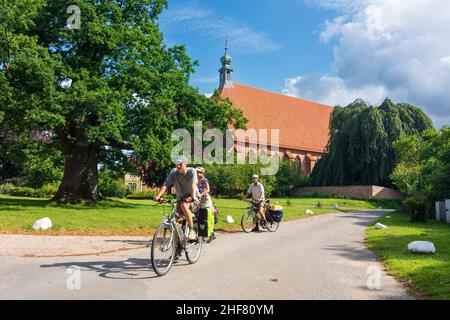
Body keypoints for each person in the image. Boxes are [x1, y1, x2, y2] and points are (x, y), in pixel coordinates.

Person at [154, 156, 199, 241]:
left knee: (184, 205)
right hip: (180, 197)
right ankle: (178, 245)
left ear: (186, 164)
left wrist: (193, 197)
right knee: (177, 219)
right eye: (176, 165)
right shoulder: (174, 172)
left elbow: (193, 184)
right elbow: (166, 184)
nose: (178, 167)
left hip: (192, 196)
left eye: (180, 164)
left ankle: (192, 230)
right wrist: (158, 196)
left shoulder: (191, 171)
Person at [196, 167, 216, 243]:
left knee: (208, 217)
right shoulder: (195, 180)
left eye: (199, 172)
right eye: (197, 172)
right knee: (200, 217)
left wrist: (201, 194)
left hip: (206, 200)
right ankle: (202, 233)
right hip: (199, 199)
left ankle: (210, 233)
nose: (197, 173)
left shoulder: (204, 180)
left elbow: (208, 189)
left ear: (202, 173)